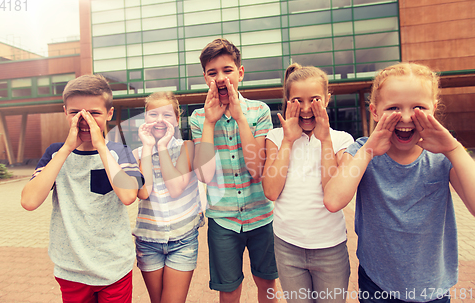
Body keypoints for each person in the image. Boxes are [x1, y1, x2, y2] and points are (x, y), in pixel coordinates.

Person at [324, 62, 475, 303]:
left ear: (433, 109)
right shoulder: (362, 151)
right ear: (374, 111)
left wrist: (454, 149)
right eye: (393, 108)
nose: (406, 117)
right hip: (377, 284)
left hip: (432, 287)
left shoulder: (442, 155)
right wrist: (368, 153)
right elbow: (333, 200)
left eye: (418, 107)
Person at [20, 74, 142, 303]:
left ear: (109, 113)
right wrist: (67, 148)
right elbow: (29, 201)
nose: (84, 120)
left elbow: (128, 196)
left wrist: (100, 146)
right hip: (71, 269)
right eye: (76, 113)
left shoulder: (119, 152)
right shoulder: (56, 153)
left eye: (94, 113)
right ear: (64, 112)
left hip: (114, 267)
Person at [189, 38, 278, 303]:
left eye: (227, 70)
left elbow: (256, 170)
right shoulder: (197, 117)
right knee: (228, 290)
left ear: (240, 72)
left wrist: (240, 118)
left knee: (267, 283)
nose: (220, 78)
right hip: (223, 219)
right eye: (212, 72)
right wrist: (209, 123)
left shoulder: (259, 111)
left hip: (261, 215)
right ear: (205, 77)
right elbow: (204, 175)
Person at [262, 63, 353, 303]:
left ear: (327, 98)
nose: (305, 109)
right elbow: (271, 191)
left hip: (330, 248)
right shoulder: (275, 137)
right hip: (287, 246)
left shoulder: (342, 140)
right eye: (297, 100)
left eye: (314, 100)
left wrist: (325, 141)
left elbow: (332, 194)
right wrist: (289, 141)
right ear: (287, 100)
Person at [132, 91, 203, 303]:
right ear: (145, 119)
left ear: (177, 119)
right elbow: (144, 191)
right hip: (148, 241)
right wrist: (148, 147)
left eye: (167, 115)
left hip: (183, 240)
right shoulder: (136, 154)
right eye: (153, 114)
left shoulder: (187, 147)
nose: (160, 120)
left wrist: (162, 146)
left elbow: (175, 188)